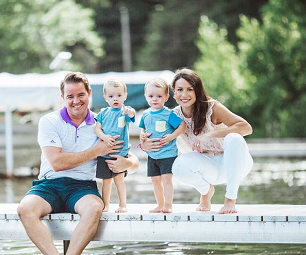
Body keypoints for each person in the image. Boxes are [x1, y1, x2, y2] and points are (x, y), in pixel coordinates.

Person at [17, 72, 140, 255]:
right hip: (49, 184)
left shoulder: (102, 122)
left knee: (95, 207)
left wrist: (127, 164)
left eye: (81, 95)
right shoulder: (49, 121)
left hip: (82, 187)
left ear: (90, 93)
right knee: (25, 210)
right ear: (62, 96)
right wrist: (96, 150)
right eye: (70, 96)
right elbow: (57, 162)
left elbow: (132, 157)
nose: (76, 101)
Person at [140, 68, 253, 215]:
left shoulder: (212, 108)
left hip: (233, 164)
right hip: (209, 168)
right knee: (177, 166)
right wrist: (144, 144)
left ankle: (230, 200)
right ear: (173, 92)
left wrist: (211, 134)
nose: (184, 94)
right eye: (180, 89)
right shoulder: (173, 116)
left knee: (234, 137)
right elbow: (155, 137)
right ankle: (206, 191)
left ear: (197, 91)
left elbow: (246, 127)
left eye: (190, 89)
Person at [138, 78, 186, 214]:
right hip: (152, 155)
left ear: (166, 97)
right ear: (146, 96)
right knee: (155, 180)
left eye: (159, 96)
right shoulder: (145, 114)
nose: (155, 99)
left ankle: (168, 205)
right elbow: (143, 129)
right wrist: (143, 136)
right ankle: (160, 205)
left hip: (167, 154)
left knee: (166, 179)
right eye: (151, 96)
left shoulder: (168, 114)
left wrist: (172, 136)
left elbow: (182, 125)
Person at [93, 79, 136, 213]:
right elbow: (97, 129)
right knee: (106, 182)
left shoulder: (124, 112)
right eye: (111, 96)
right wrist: (105, 138)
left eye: (119, 95)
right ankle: (106, 205)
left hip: (120, 154)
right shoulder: (103, 113)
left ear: (125, 96)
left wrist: (130, 112)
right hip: (105, 155)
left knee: (119, 181)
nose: (115, 99)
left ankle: (123, 204)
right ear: (106, 97)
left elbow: (132, 114)